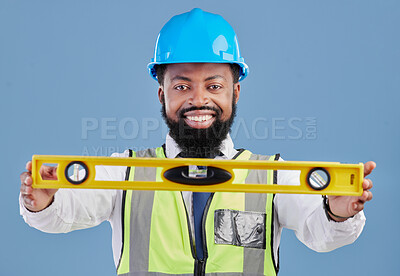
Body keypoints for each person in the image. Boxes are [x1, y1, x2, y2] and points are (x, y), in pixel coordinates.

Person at [19, 8, 375, 276]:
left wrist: (338, 212)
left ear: (235, 92)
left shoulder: (271, 176)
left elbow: (321, 234)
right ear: (162, 95)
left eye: (214, 85)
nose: (198, 99)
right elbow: (66, 212)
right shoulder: (124, 171)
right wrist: (43, 204)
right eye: (182, 86)